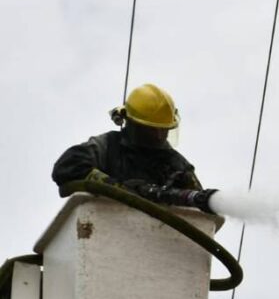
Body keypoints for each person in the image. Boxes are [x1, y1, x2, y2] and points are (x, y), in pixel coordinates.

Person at [52, 83, 215, 212]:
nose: (159, 136)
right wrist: (119, 189)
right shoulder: (108, 146)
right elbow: (66, 167)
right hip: (104, 228)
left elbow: (200, 214)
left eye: (163, 129)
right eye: (152, 129)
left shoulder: (177, 165)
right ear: (133, 125)